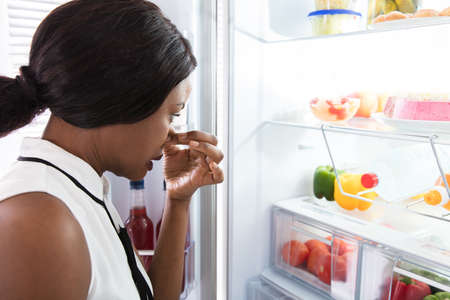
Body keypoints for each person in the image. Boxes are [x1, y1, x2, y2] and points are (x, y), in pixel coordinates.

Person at [0, 1, 224, 300]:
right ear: (121, 99)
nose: (172, 135)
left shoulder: (80, 187)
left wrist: (178, 200)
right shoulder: (41, 222)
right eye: (171, 114)